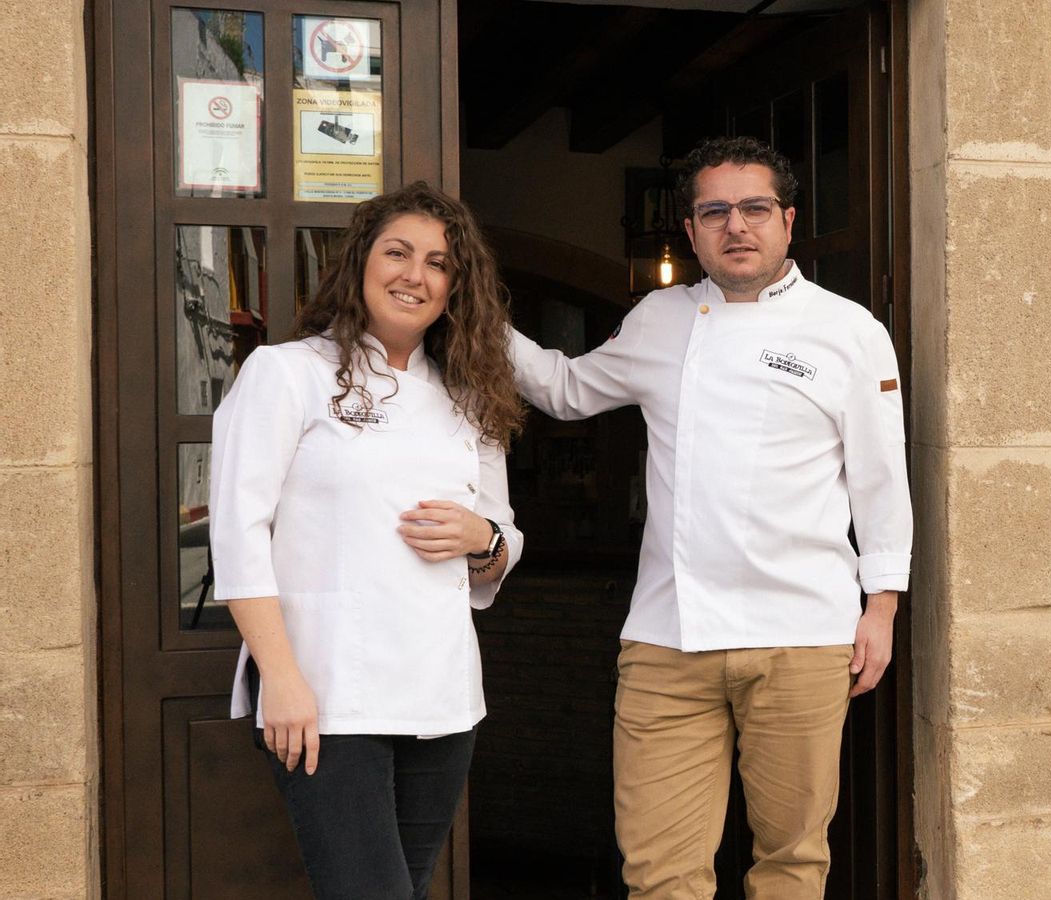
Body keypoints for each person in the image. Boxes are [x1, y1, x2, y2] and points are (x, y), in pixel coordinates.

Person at [509, 136, 912, 898]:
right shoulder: (658, 318)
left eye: (755, 208)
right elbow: (564, 391)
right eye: (715, 211)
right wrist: (473, 317)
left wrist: (882, 604)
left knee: (792, 861)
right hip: (668, 641)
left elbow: (881, 478)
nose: (737, 226)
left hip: (801, 633)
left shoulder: (849, 330)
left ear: (787, 222)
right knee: (659, 871)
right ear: (690, 232)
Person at [209, 181, 525, 899]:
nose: (416, 275)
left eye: (439, 263)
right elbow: (238, 532)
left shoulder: (470, 396)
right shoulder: (287, 374)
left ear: (455, 287)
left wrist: (482, 538)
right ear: (359, 264)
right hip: (325, 692)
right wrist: (281, 678)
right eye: (398, 253)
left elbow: (502, 541)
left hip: (441, 697)